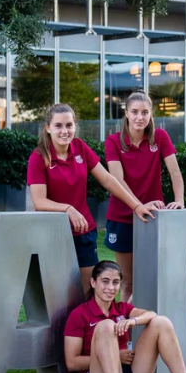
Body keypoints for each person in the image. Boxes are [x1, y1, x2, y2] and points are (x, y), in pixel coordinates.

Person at [28, 104, 160, 293]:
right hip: (53, 234)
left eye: (69, 125)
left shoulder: (80, 148)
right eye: (58, 126)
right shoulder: (39, 157)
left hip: (83, 232)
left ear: (75, 126)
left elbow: (108, 180)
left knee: (88, 292)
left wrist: (136, 206)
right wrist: (68, 209)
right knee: (58, 295)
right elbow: (39, 201)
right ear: (48, 128)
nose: (64, 131)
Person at [104, 92, 186, 304]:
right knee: (128, 282)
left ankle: (147, 326)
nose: (140, 117)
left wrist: (179, 200)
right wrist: (138, 205)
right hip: (122, 217)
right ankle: (126, 333)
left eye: (144, 112)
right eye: (134, 112)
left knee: (153, 278)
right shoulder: (113, 141)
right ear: (127, 114)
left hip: (152, 218)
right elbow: (117, 180)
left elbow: (175, 173)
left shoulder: (160, 138)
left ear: (151, 114)